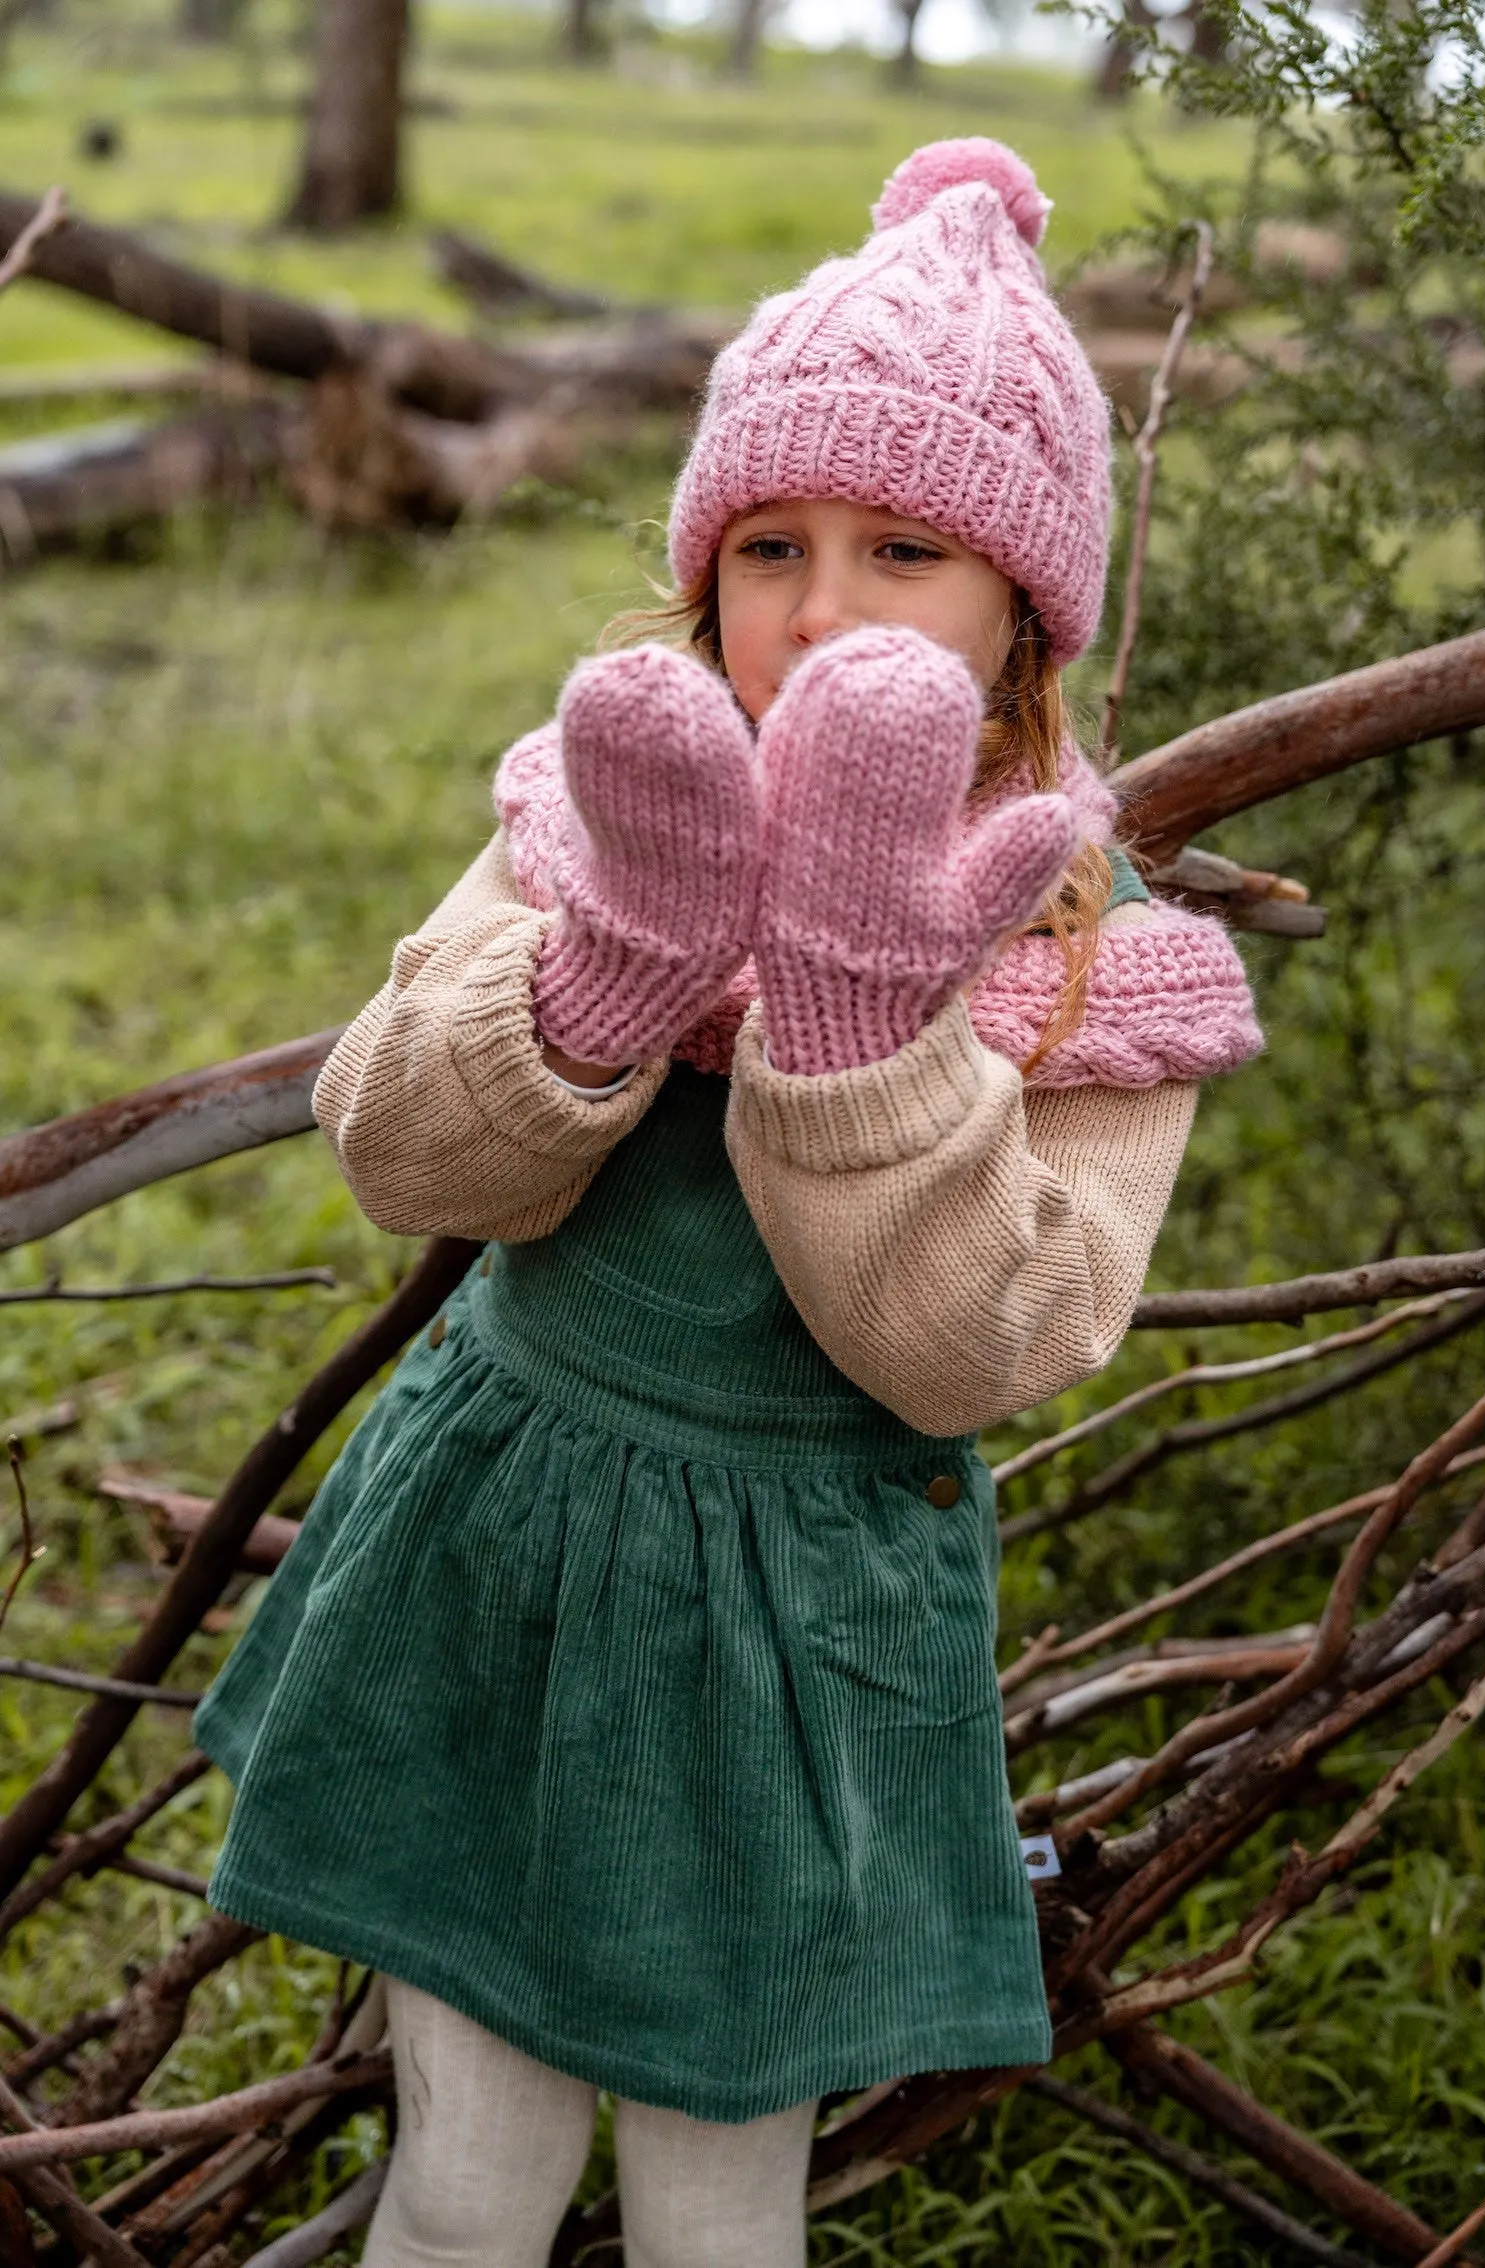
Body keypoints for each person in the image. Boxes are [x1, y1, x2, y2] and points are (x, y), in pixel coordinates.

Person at [193, 137, 1262, 2268]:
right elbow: (402, 1149)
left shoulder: (1075, 945)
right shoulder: (613, 798)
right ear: (698, 570)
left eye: (905, 553)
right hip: (503, 1561)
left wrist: (866, 1029)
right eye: (768, 540)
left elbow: (975, 1351)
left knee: (717, 2214)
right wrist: (610, 972)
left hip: (799, 1631)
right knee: (470, 2182)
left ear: (1024, 615)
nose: (824, 608)